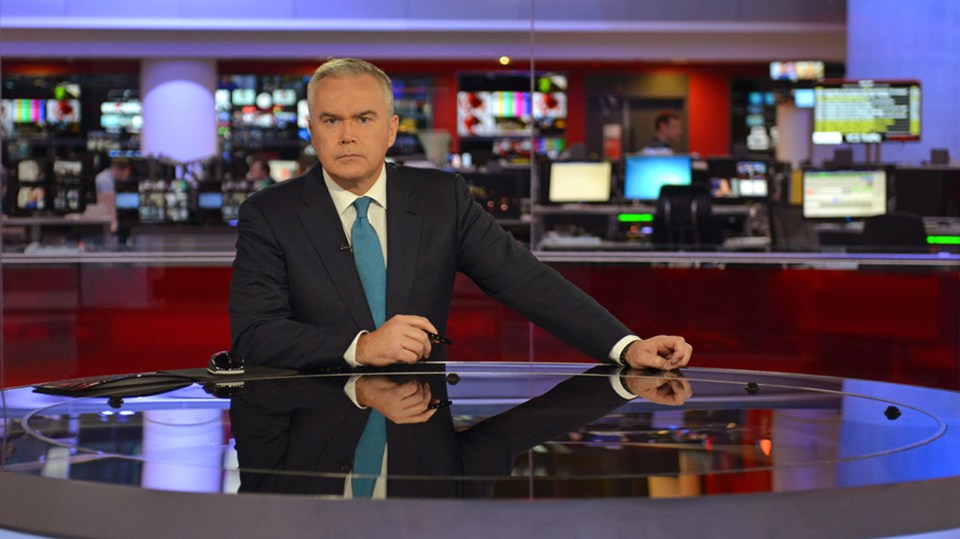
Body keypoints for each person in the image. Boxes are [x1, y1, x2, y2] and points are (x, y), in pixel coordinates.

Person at [228, 57, 692, 374]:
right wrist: (362, 347)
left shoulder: (441, 198)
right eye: (331, 120)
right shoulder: (270, 213)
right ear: (312, 130)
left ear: (391, 130)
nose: (347, 135)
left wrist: (626, 346)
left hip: (421, 432)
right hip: (315, 428)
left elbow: (525, 280)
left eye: (363, 118)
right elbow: (255, 335)